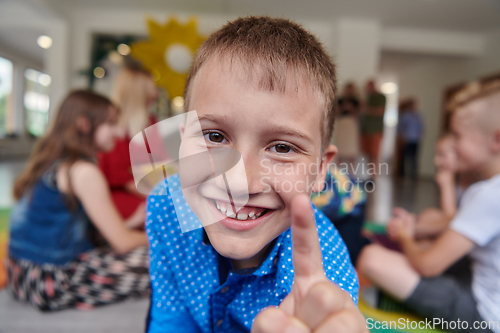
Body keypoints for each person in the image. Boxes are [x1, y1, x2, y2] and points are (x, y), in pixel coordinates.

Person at [145, 17, 367, 333]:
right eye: (215, 137)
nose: (240, 182)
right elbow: (172, 318)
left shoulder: (322, 285)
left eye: (282, 147)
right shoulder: (166, 206)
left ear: (320, 169)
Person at [358, 80, 500, 332]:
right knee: (428, 234)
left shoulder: (489, 194)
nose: (452, 144)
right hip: (479, 279)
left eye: (458, 136)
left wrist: (405, 237)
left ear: (497, 140)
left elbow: (427, 265)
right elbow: (452, 221)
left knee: (371, 258)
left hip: (485, 319)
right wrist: (419, 233)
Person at [8, 90, 150, 311]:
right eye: (111, 123)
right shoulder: (83, 171)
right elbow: (123, 242)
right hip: (52, 280)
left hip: (20, 273)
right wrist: (163, 237)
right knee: (162, 258)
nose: (118, 131)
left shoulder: (52, 162)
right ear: (84, 124)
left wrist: (131, 223)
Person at [98, 63, 159, 221]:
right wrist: (164, 196)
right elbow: (125, 181)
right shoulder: (112, 128)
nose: (156, 94)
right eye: (151, 89)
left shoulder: (151, 122)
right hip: (123, 197)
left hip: (149, 189)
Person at [335, 82, 361, 175]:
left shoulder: (356, 101)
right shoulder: (340, 100)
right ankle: (338, 174)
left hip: (351, 125)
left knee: (351, 152)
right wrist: (343, 108)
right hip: (342, 125)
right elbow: (336, 114)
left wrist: (351, 109)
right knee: (341, 152)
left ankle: (351, 174)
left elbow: (358, 115)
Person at [361, 80, 386, 168]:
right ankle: (370, 175)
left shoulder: (381, 97)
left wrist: (367, 109)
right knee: (368, 154)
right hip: (365, 130)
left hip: (376, 130)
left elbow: (380, 112)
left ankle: (374, 176)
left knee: (375, 153)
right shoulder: (367, 98)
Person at [397, 98, 424, 179]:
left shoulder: (418, 115)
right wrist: (401, 137)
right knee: (405, 158)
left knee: (414, 158)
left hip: (415, 140)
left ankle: (413, 175)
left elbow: (421, 127)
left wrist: (420, 135)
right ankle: (402, 176)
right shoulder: (405, 115)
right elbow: (400, 127)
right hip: (407, 139)